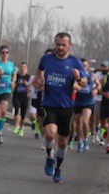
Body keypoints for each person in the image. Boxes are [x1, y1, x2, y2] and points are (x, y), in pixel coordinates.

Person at [34, 32, 86, 183]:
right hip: (49, 104)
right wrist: (40, 79)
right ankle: (49, 157)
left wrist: (78, 77)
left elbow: (84, 83)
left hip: (67, 107)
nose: (60, 47)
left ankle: (58, 168)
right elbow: (39, 70)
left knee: (63, 142)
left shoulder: (75, 62)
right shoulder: (47, 59)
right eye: (58, 44)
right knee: (50, 134)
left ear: (70, 45)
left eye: (64, 45)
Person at [0, 45, 15, 145]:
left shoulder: (11, 64)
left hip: (6, 90)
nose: (5, 54)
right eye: (3, 52)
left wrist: (13, 81)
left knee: (3, 111)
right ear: (0, 54)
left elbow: (14, 74)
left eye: (7, 52)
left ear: (9, 54)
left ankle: (0, 133)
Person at [71, 58, 95, 152]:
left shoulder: (90, 76)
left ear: (87, 67)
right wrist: (79, 87)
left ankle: (85, 140)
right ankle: (80, 141)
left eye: (85, 66)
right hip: (78, 102)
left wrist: (96, 89)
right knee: (78, 124)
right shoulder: (76, 76)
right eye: (82, 66)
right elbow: (74, 85)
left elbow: (98, 85)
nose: (83, 67)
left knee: (85, 121)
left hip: (88, 102)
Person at [11, 61, 30, 136]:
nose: (22, 68)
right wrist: (13, 83)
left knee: (23, 114)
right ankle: (16, 126)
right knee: (16, 109)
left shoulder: (28, 77)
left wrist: (27, 85)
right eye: (21, 67)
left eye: (24, 67)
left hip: (24, 97)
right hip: (17, 96)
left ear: (26, 68)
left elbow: (30, 88)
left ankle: (21, 128)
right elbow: (13, 83)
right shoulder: (17, 76)